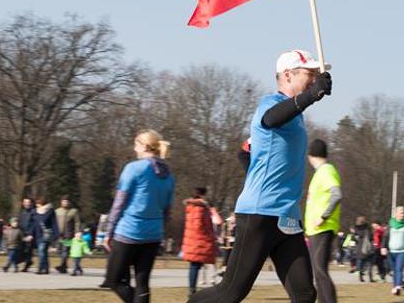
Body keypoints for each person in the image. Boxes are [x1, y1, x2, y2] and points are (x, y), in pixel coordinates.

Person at [190, 50, 331, 303]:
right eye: (310, 74)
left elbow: (246, 153)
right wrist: (312, 95)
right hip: (259, 215)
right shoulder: (270, 104)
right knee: (231, 293)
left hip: (287, 218)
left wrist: (257, 174)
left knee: (305, 294)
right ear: (288, 75)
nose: (314, 79)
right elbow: (271, 118)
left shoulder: (296, 116)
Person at [102, 129, 175, 303]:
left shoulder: (133, 168)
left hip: (129, 232)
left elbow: (119, 203)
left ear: (144, 146)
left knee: (113, 280)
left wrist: (108, 231)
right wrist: (160, 231)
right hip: (153, 234)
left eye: (136, 144)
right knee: (142, 283)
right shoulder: (168, 174)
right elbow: (167, 209)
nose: (134, 149)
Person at [303, 139, 342, 303]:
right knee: (318, 272)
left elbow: (337, 195)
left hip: (323, 228)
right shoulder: (321, 173)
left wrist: (323, 217)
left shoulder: (326, 171)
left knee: (320, 270)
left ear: (311, 156)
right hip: (315, 231)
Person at [182, 187, 218, 296]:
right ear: (202, 195)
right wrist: (210, 234)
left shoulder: (193, 206)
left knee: (196, 265)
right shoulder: (199, 207)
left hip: (193, 239)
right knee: (195, 265)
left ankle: (192, 289)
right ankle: (192, 290)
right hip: (198, 240)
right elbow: (198, 226)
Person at [381, 206, 404, 296]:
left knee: (399, 269)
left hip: (403, 250)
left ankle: (398, 287)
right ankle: (395, 286)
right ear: (396, 214)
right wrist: (383, 247)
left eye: (403, 213)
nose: (402, 215)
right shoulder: (390, 224)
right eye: (400, 213)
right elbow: (385, 236)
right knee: (393, 270)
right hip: (391, 251)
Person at [31, 197, 59, 275]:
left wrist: (56, 234)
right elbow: (33, 223)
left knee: (41, 251)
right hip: (38, 233)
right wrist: (31, 233)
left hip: (46, 234)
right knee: (44, 252)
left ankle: (40, 268)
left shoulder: (50, 211)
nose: (36, 206)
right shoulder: (34, 212)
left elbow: (54, 223)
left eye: (38, 204)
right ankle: (46, 268)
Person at [54, 196, 81, 274]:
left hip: (68, 234)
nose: (65, 203)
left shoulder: (73, 211)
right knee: (59, 251)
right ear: (61, 202)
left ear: (69, 202)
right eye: (63, 201)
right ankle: (68, 266)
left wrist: (77, 232)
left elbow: (77, 222)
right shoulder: (57, 211)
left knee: (65, 251)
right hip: (59, 234)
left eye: (66, 201)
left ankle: (62, 266)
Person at [353, 216, 374, 282]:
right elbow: (371, 237)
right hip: (368, 247)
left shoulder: (356, 229)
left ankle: (360, 276)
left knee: (361, 263)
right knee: (370, 263)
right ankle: (370, 277)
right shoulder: (368, 228)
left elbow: (354, 238)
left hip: (360, 248)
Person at [18, 198, 35, 272]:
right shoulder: (22, 212)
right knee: (22, 250)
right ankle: (28, 262)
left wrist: (31, 234)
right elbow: (20, 223)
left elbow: (34, 224)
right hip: (23, 234)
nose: (27, 204)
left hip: (30, 234)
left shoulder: (33, 212)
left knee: (28, 250)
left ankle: (26, 264)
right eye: (25, 202)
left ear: (31, 203)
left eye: (28, 202)